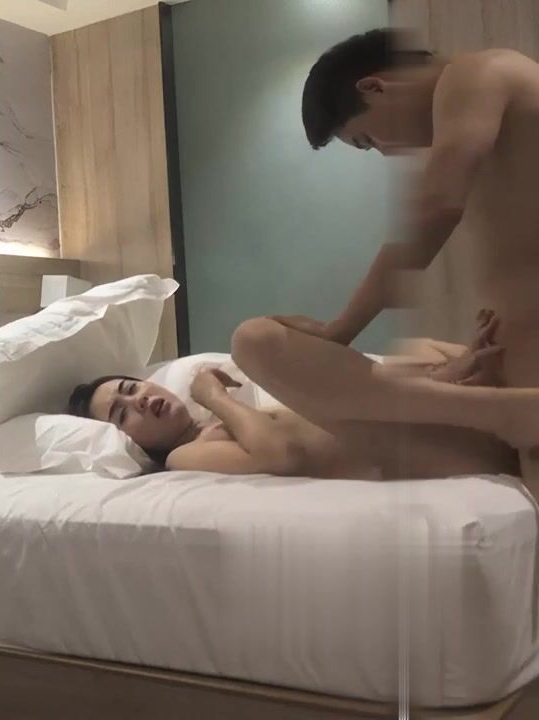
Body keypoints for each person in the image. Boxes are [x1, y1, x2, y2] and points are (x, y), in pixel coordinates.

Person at [295, 28, 539, 417]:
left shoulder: (475, 75)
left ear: (373, 87)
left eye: (367, 140)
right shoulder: (473, 125)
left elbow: (435, 211)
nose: (385, 153)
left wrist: (339, 330)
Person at [68, 313, 520, 479]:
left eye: (131, 388)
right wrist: (214, 396)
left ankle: (452, 379)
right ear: (130, 441)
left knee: (423, 349)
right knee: (251, 339)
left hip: (399, 421)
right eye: (122, 416)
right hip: (410, 450)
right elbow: (280, 455)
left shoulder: (219, 426)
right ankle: (468, 392)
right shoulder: (182, 458)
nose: (138, 401)